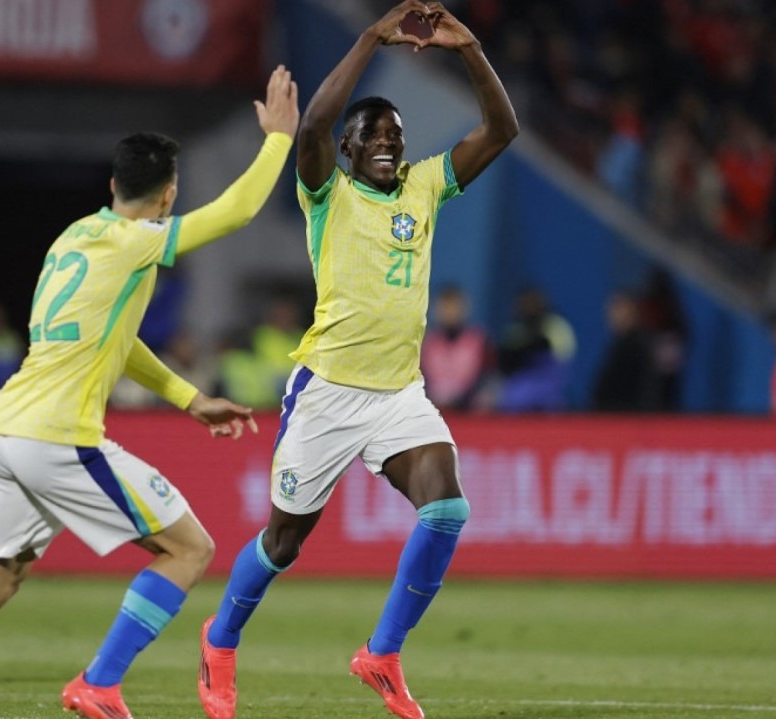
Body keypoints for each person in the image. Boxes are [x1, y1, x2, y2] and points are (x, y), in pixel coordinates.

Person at [0, 64, 299, 719]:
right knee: (190, 548)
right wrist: (279, 139)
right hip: (58, 436)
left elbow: (112, 341)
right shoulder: (136, 242)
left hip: (5, 430)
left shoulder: (73, 238)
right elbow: (237, 210)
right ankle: (100, 681)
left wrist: (187, 397)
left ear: (114, 184)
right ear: (168, 194)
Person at [198, 4, 518, 719]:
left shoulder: (426, 187)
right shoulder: (326, 192)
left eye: (396, 137)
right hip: (328, 392)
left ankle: (382, 653)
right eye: (371, 135)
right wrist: (373, 37)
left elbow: (503, 130)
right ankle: (219, 640)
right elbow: (310, 127)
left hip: (398, 393)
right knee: (283, 542)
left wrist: (466, 48)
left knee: (447, 507)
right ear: (346, 149)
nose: (386, 144)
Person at [420, 284, 494, 411]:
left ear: (464, 308)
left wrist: (464, 401)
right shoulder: (427, 343)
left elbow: (487, 378)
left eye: (454, 307)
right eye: (445, 307)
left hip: (468, 411)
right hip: (433, 410)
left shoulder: (478, 341)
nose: (450, 312)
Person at [591, 290, 658, 412]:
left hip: (627, 420)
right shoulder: (620, 343)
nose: (612, 315)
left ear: (631, 311)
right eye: (611, 310)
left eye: (618, 309)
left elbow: (644, 391)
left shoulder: (637, 346)